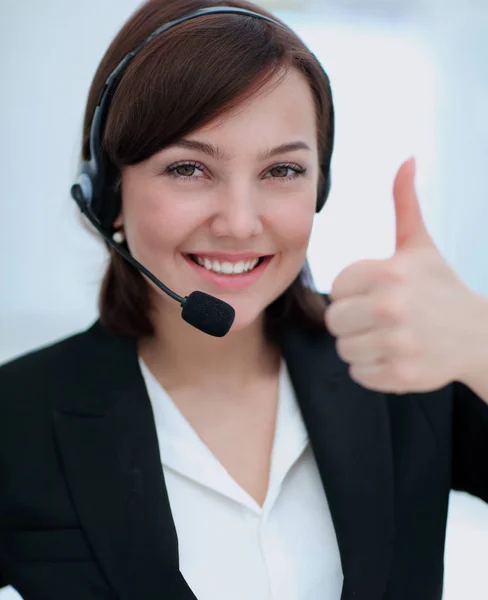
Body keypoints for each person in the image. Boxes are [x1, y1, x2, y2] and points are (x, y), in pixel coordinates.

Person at [1, 0, 488, 599]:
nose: (238, 222)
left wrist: (482, 345)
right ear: (107, 194)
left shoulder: (401, 367)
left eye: (282, 171)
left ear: (321, 187)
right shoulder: (17, 419)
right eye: (188, 169)